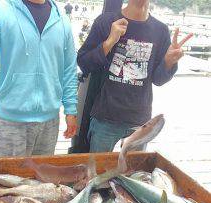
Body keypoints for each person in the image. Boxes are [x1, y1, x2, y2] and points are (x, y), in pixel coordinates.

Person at [0, 0, 78, 157]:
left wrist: (71, 110)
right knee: (7, 179)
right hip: (10, 122)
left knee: (42, 180)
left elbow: (69, 68)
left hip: (49, 121)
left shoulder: (62, 17)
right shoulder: (1, 10)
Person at [77, 0, 192, 153]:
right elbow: (84, 62)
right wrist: (109, 42)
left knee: (133, 175)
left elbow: (158, 80)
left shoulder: (161, 30)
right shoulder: (106, 22)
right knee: (98, 172)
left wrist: (168, 63)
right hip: (105, 117)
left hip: (140, 121)